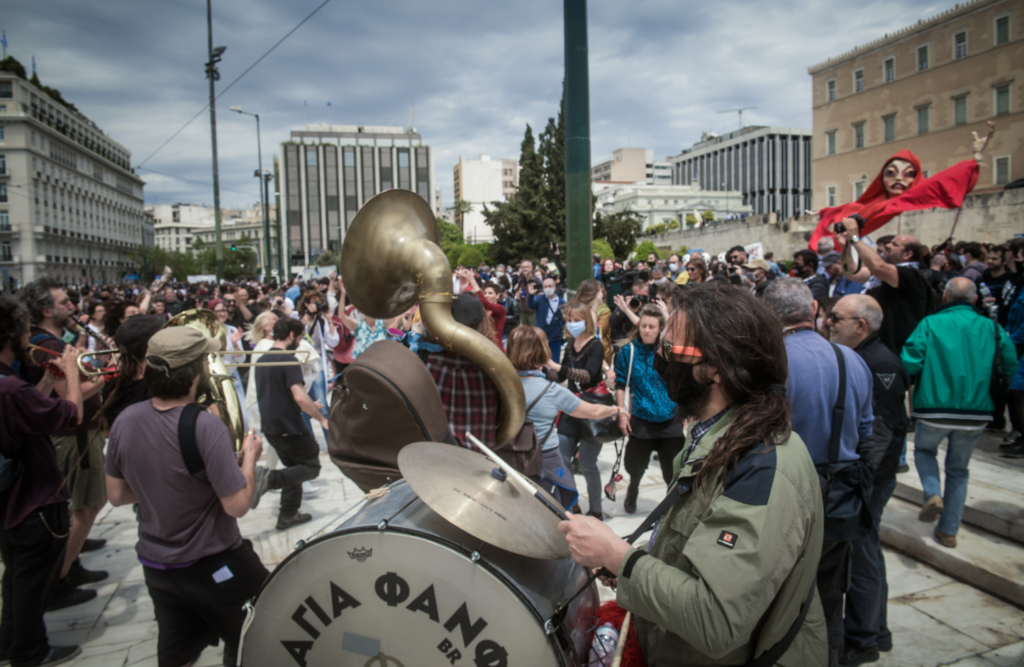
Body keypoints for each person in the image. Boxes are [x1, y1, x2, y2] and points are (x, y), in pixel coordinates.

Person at [557, 281, 827, 665]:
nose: (660, 360)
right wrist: (639, 570)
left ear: (715, 368)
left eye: (669, 350)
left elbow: (716, 620)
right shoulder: (714, 437)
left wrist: (618, 557)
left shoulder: (760, 464)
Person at [105, 326, 270, 667]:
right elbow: (237, 505)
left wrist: (165, 486)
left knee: (176, 656)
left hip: (158, 568)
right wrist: (250, 457)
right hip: (212, 563)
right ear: (196, 372)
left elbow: (117, 494)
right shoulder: (204, 425)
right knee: (266, 631)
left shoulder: (125, 420)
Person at [763, 277, 874, 667]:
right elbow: (866, 432)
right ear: (813, 311)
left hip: (787, 499)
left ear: (768, 316)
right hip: (840, 500)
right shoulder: (852, 359)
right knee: (830, 599)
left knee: (781, 604)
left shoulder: (774, 364)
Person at [0, 295, 86, 666]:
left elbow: (31, 414)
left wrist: (49, 385)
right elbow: (71, 417)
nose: (28, 335)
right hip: (34, 497)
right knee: (33, 585)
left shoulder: (9, 382)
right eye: (23, 329)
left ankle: (7, 643)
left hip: (10, 502)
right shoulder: (10, 388)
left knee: (16, 578)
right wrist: (70, 371)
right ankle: (29, 652)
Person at [901, 278, 1017, 546]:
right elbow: (1010, 364)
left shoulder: (930, 324)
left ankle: (932, 493)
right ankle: (949, 530)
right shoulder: (992, 328)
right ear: (974, 299)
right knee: (958, 471)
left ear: (945, 297)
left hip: (933, 407)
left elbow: (909, 362)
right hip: (977, 411)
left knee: (924, 451)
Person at [19, 279, 110, 607]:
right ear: (46, 310)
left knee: (86, 505)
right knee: (86, 507)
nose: (71, 306)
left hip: (79, 433)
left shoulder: (56, 340)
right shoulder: (48, 346)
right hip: (74, 436)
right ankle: (58, 580)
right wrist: (104, 377)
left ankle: (70, 567)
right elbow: (67, 399)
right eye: (63, 303)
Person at [829, 294, 909, 665]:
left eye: (836, 318)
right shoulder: (861, 357)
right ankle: (875, 629)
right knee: (864, 553)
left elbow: (883, 430)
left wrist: (860, 480)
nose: (829, 323)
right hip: (863, 476)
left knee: (862, 555)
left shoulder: (880, 363)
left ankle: (864, 638)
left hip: (870, 479)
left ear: (861, 325)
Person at [808, 124, 995, 250]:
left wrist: (976, 158)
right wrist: (825, 212)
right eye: (891, 173)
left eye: (908, 174)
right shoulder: (874, 203)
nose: (899, 178)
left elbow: (945, 183)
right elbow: (853, 208)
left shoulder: (915, 196)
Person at [507, 326, 618, 508]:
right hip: (544, 459)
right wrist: (616, 410)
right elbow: (593, 412)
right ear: (543, 352)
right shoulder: (551, 390)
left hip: (507, 455)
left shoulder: (500, 385)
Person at [249, 318, 327, 530]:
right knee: (311, 466)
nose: (301, 343)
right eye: (300, 337)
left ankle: (288, 515)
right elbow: (300, 397)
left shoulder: (263, 359)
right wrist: (322, 420)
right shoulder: (290, 360)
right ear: (291, 335)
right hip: (288, 426)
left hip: (272, 426)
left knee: (294, 468)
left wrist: (312, 403)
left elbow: (280, 393)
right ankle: (269, 479)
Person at [613, 304, 685, 514]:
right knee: (635, 468)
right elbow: (620, 384)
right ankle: (632, 491)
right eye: (643, 325)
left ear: (660, 328)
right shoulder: (629, 351)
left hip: (670, 421)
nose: (646, 330)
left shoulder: (668, 350)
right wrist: (622, 412)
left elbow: (680, 379)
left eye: (652, 326)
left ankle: (670, 509)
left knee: (671, 472)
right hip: (641, 421)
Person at [545, 303, 609, 518]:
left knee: (588, 463)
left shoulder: (596, 346)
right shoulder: (571, 345)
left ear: (587, 321)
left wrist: (556, 367)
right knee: (563, 458)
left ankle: (596, 510)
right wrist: (542, 370)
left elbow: (588, 375)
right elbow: (562, 377)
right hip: (571, 407)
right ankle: (572, 503)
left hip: (591, 409)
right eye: (569, 320)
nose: (572, 324)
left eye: (576, 319)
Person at [839, 229, 933, 355]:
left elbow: (878, 267)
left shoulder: (911, 274)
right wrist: (845, 246)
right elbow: (851, 272)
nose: (888, 245)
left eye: (895, 245)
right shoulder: (884, 274)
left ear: (907, 255)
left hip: (895, 352)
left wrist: (855, 238)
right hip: (876, 349)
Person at [526, 276, 566, 363]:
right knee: (540, 360)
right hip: (541, 335)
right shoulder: (539, 299)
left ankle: (553, 376)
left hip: (555, 336)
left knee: (554, 361)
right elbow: (530, 306)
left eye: (550, 286)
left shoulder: (562, 301)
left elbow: (564, 319)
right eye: (545, 286)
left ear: (555, 287)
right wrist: (530, 295)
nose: (547, 288)